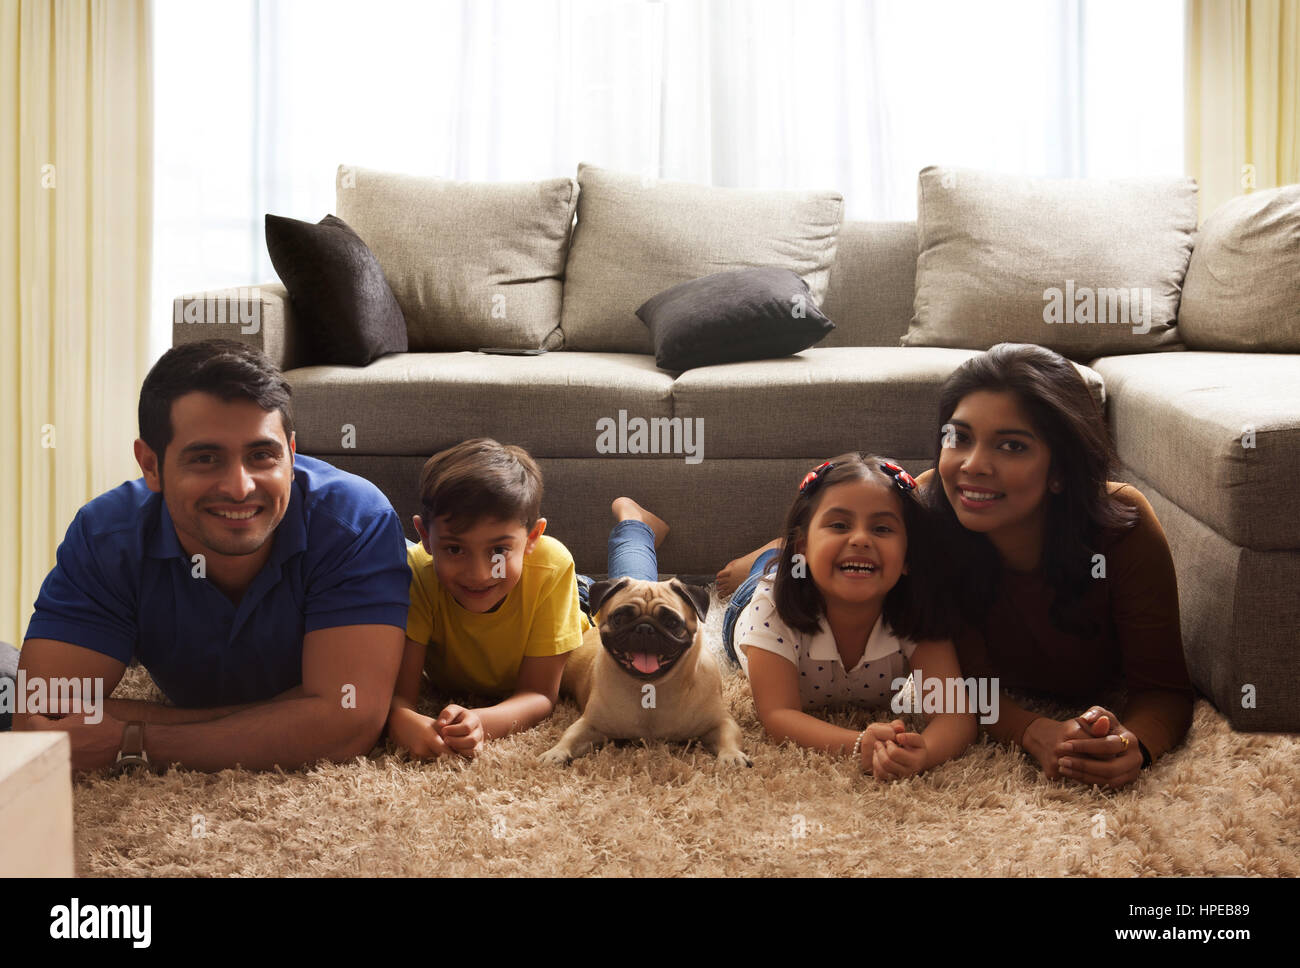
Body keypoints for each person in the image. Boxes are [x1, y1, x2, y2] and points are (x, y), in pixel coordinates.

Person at [13, 339, 410, 772]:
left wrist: (130, 736)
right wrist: (295, 713)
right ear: (150, 465)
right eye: (205, 458)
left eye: (262, 455)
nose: (240, 487)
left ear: (292, 455)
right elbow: (42, 720)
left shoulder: (356, 519)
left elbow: (349, 724)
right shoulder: (106, 535)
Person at [918, 342, 1194, 789]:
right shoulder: (927, 513)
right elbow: (952, 685)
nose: (972, 465)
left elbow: (1165, 690)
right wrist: (1032, 730)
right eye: (959, 437)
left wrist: (1134, 746)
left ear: (1061, 470)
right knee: (790, 565)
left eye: (1011, 446)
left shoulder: (1123, 528)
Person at [387, 437, 670, 759]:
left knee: (635, 599)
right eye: (454, 549)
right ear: (424, 536)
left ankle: (634, 525)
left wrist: (482, 720)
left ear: (533, 537)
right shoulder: (416, 575)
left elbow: (538, 694)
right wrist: (405, 722)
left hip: (571, 598)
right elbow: (398, 699)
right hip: (518, 578)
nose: (479, 574)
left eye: (498, 550)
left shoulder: (552, 565)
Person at [716, 453, 976, 780]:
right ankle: (770, 554)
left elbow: (955, 717)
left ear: (909, 557)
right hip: (764, 595)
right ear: (804, 548)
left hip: (807, 563)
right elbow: (778, 715)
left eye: (881, 528)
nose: (860, 539)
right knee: (764, 571)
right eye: (839, 525)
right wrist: (857, 743)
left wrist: (925, 751)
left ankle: (778, 550)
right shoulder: (771, 607)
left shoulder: (920, 607)